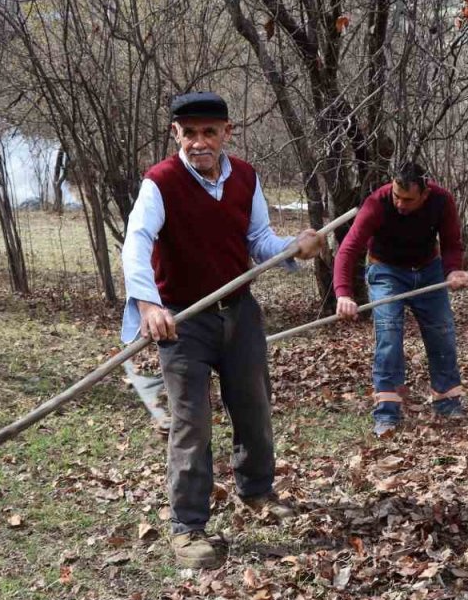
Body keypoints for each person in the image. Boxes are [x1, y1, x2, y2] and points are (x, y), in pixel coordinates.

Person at [121, 91, 322, 569]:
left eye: (209, 132)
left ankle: (257, 492)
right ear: (176, 134)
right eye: (189, 133)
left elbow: (258, 240)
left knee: (253, 405)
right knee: (192, 422)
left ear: (226, 133)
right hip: (182, 321)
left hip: (239, 312)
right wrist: (148, 303)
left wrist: (294, 247)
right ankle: (188, 527)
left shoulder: (245, 177)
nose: (199, 142)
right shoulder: (160, 183)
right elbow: (137, 241)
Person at [333, 161, 468, 436]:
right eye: (397, 196)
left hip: (429, 270)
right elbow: (348, 249)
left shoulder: (442, 201)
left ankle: (447, 402)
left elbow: (451, 242)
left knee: (442, 331)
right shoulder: (377, 203)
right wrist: (343, 293)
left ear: (425, 193)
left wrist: (454, 269)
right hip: (386, 270)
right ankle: (387, 413)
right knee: (389, 334)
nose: (399, 204)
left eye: (408, 199)